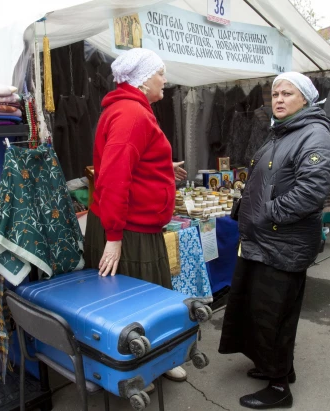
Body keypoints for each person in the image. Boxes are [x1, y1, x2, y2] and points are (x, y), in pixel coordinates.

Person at [218, 72, 330, 409]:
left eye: (288, 94)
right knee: (264, 312)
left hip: (283, 242)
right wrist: (245, 208)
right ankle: (278, 367)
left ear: (306, 100)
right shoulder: (282, 132)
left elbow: (310, 193)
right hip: (264, 241)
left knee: (275, 314)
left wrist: (267, 214)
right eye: (276, 93)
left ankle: (279, 388)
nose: (279, 99)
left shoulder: (314, 135)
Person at [84, 48, 188, 384]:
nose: (165, 80)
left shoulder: (131, 110)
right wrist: (114, 238)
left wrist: (160, 167)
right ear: (143, 80)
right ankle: (136, 366)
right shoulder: (132, 115)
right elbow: (113, 179)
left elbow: (128, 161)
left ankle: (152, 359)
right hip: (128, 231)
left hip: (130, 225)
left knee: (129, 301)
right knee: (134, 303)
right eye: (161, 73)